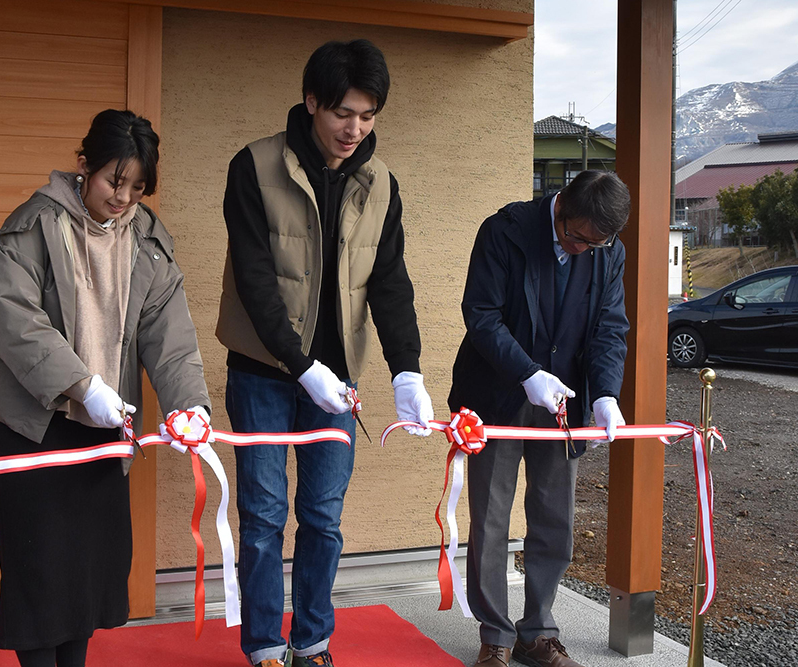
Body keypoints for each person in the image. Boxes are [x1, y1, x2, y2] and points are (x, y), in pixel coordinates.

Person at [216, 39, 434, 667]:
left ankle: (311, 643)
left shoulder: (382, 181)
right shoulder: (254, 166)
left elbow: (389, 282)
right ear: (311, 101)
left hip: (338, 384)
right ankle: (263, 647)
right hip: (262, 370)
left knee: (322, 518)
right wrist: (299, 364)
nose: (354, 129)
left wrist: (407, 370)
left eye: (368, 116)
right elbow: (255, 282)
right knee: (262, 518)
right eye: (343, 113)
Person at [0, 109, 209, 667]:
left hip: (106, 421)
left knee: (86, 565)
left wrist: (190, 407)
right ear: (84, 166)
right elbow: (12, 314)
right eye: (113, 179)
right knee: (38, 563)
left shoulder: (149, 240)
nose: (123, 196)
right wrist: (81, 383)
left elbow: (169, 335)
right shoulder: (32, 224)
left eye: (136, 186)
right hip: (35, 420)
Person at [447, 170, 631, 667]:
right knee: (490, 516)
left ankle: (539, 632)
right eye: (576, 238)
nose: (583, 249)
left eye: (597, 243)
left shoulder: (605, 251)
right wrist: (527, 372)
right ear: (561, 209)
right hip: (496, 395)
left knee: (555, 517)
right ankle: (496, 637)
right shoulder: (505, 230)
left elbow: (610, 328)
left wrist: (606, 395)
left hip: (565, 402)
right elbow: (481, 314)